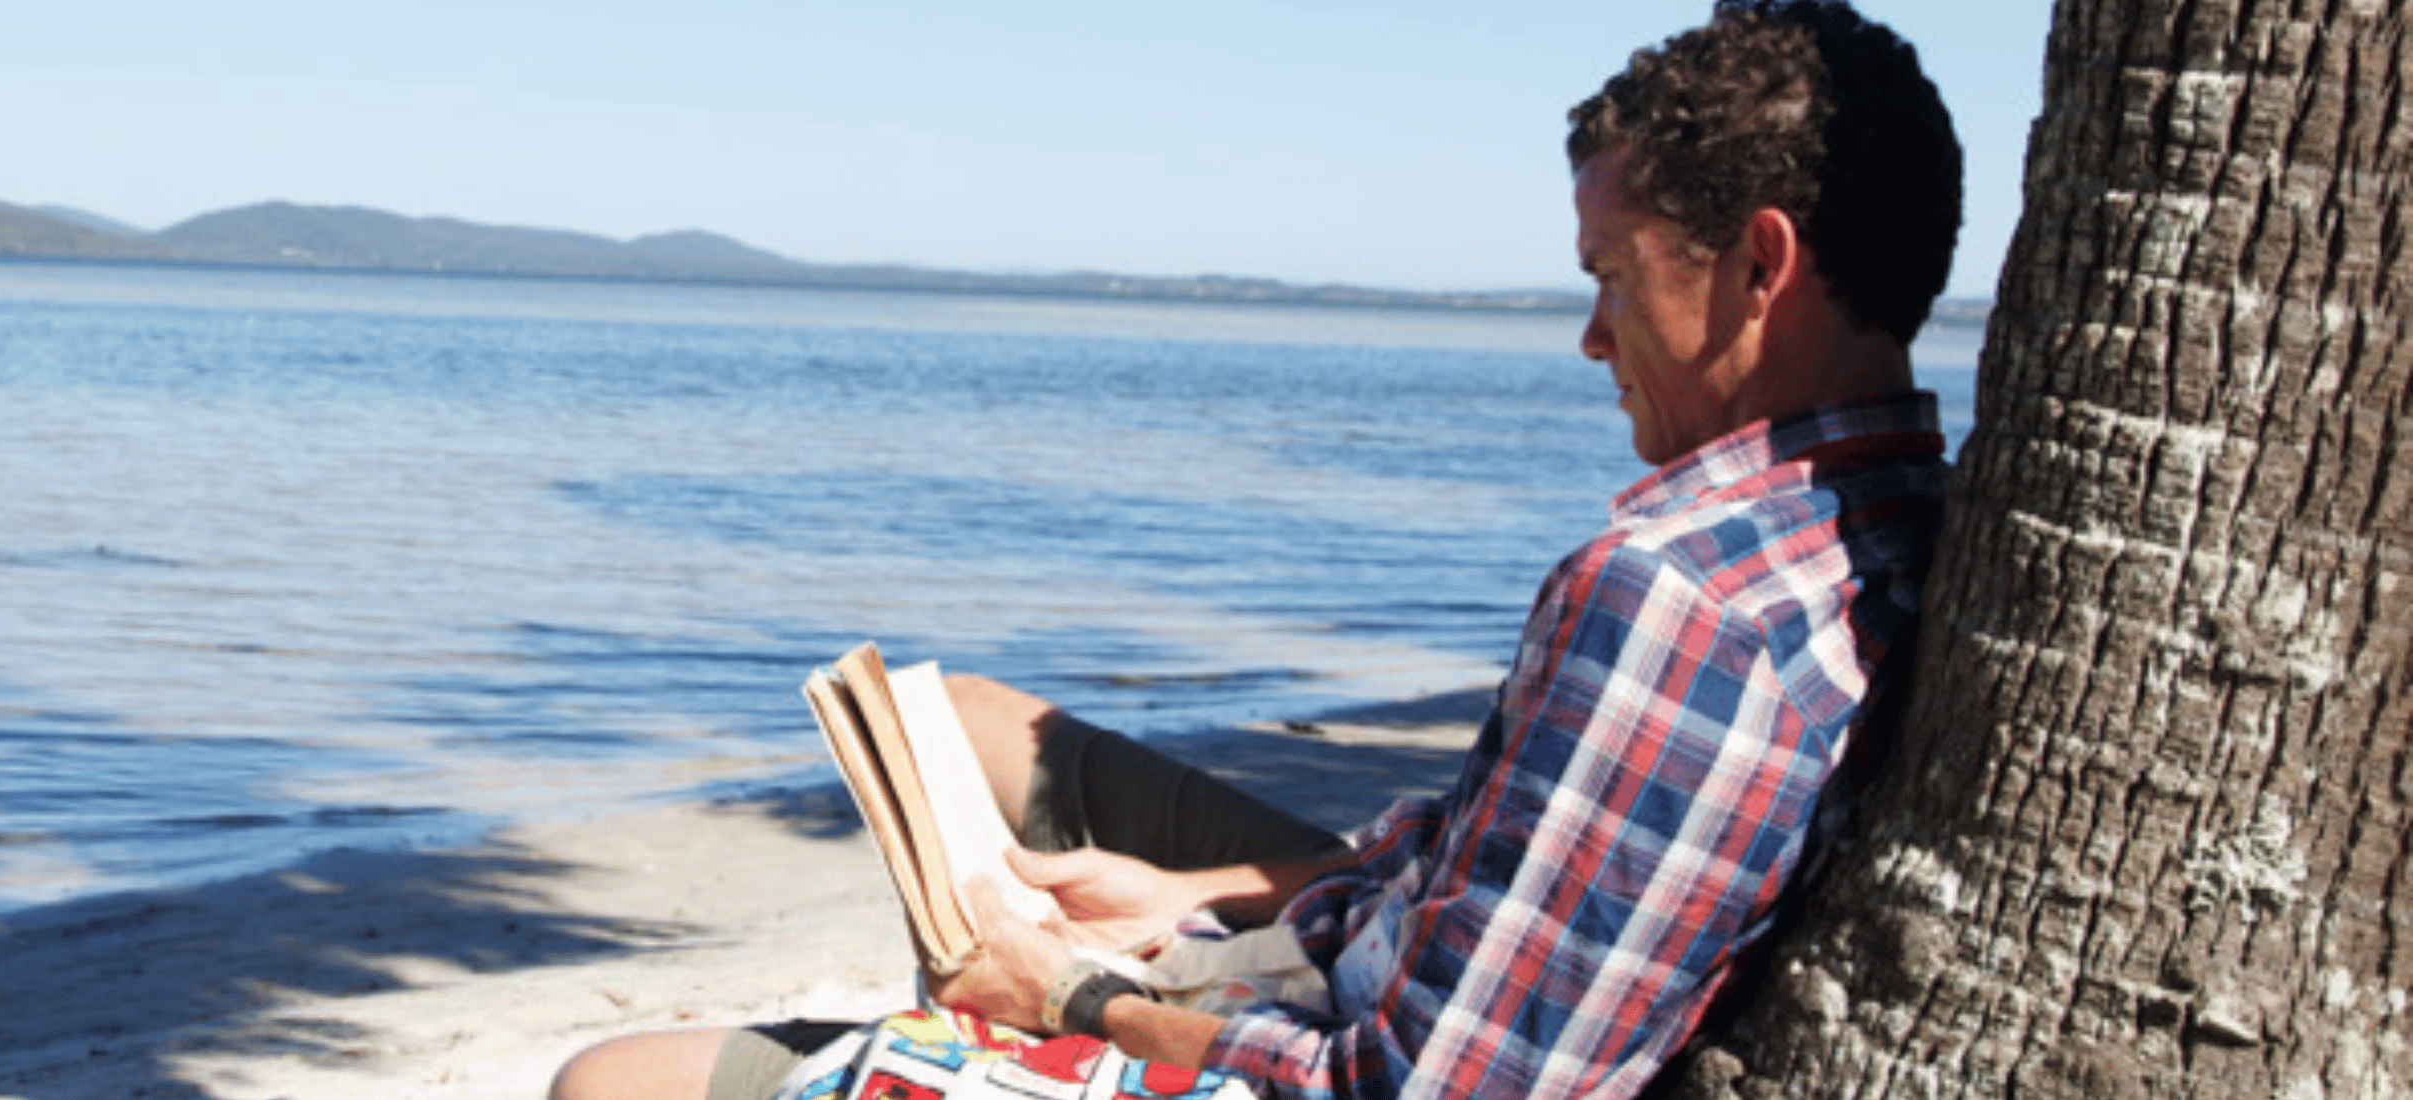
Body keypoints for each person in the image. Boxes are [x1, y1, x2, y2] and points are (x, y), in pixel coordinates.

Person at [552, 1, 1962, 1097]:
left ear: (1762, 266)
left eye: (1611, 276)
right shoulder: (1892, 525)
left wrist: (1074, 999)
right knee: (977, 737)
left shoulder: (1672, 600)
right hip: (1358, 968)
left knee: (617, 1079)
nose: (1592, 337)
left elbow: (1407, 1086)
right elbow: (1521, 870)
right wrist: (1202, 902)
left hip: (1311, 1050)